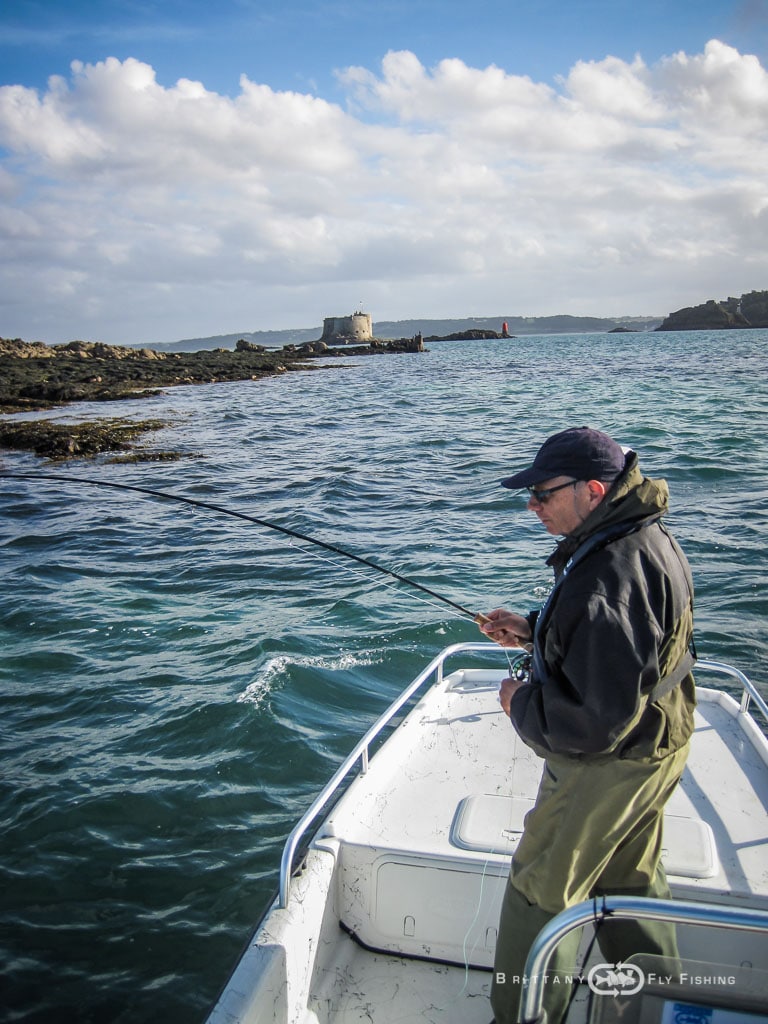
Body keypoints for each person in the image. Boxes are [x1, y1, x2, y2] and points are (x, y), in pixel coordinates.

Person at [480, 426, 696, 1024]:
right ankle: (662, 1007)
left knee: (543, 887)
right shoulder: (639, 533)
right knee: (631, 877)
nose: (533, 506)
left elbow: (589, 725)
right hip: (659, 741)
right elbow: (627, 646)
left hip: (612, 762)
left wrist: (517, 702)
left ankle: (522, 1015)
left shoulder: (606, 575)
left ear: (593, 490)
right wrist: (533, 628)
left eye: (543, 494)